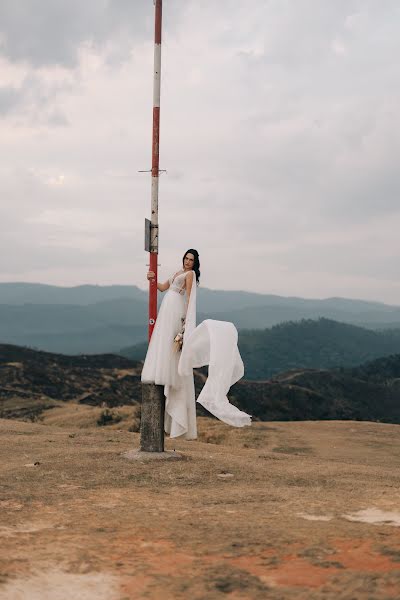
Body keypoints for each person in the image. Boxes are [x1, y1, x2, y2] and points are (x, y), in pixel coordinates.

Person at [141, 249, 251, 439]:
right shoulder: (177, 272)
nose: (188, 262)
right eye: (186, 258)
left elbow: (190, 299)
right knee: (164, 345)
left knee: (171, 347)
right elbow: (161, 288)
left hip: (176, 310)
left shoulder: (190, 275)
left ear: (195, 263)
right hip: (167, 309)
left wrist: (186, 324)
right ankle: (162, 373)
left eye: (191, 260)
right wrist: (151, 278)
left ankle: (171, 384)